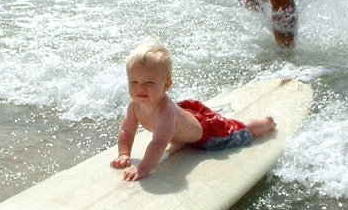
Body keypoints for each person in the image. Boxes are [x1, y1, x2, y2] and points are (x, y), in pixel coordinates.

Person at [111, 41, 276, 181]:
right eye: (133, 81)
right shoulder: (134, 105)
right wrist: (124, 154)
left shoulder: (165, 112)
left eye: (149, 82)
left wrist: (143, 169)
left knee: (239, 132)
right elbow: (127, 130)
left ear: (166, 85)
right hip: (187, 119)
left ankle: (266, 123)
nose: (140, 88)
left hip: (208, 135)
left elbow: (159, 143)